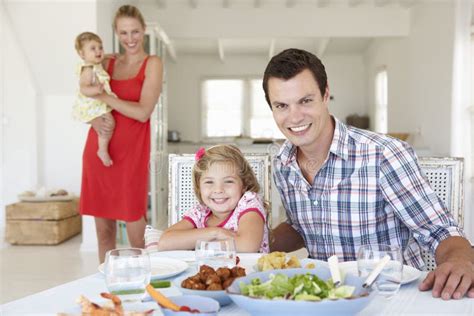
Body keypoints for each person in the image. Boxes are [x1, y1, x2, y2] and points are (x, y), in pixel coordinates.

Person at [264, 48, 474, 300]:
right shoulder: (283, 163)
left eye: (305, 101)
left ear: (326, 94)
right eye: (282, 105)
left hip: (392, 297)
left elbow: (440, 231)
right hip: (328, 299)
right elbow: (302, 226)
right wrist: (250, 239)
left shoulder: (383, 154)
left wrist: (462, 261)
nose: (295, 116)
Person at [79, 4, 163, 263]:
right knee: (104, 234)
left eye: (135, 32)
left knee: (137, 235)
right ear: (116, 33)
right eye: (124, 33)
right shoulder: (106, 61)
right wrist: (93, 120)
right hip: (99, 150)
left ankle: (145, 287)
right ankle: (107, 290)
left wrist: (104, 96)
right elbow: (85, 101)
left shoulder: (152, 63)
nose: (130, 39)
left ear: (143, 30)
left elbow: (142, 112)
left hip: (131, 154)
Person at [148, 145, 269, 253]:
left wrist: (200, 244)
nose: (218, 190)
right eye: (209, 182)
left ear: (244, 184)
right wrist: (215, 232)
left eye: (228, 181)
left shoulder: (249, 203)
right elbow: (165, 242)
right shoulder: (200, 212)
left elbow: (247, 246)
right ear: (199, 187)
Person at [74, 32, 115, 167]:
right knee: (109, 123)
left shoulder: (95, 64)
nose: (98, 51)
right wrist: (96, 90)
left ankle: (102, 148)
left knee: (108, 123)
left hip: (96, 103)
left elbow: (100, 58)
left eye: (100, 47)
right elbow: (83, 88)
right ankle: (102, 149)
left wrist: (107, 56)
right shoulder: (88, 69)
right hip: (91, 105)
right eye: (93, 48)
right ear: (82, 54)